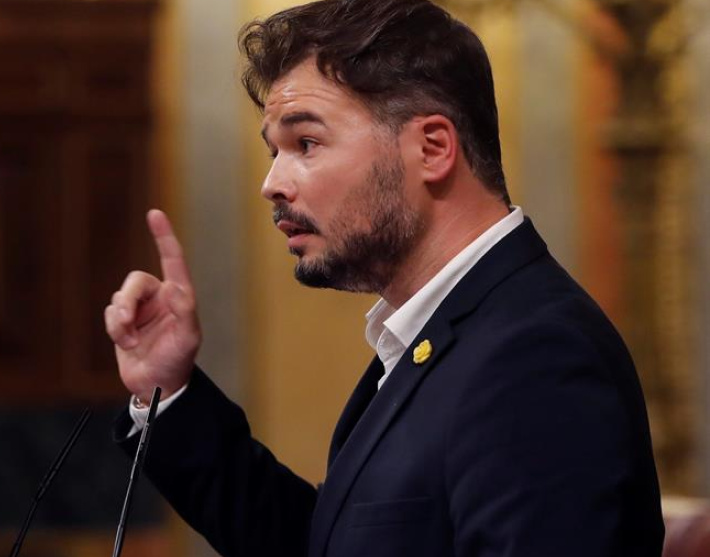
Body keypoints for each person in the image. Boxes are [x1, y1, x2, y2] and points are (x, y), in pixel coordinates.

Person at [104, 0, 664, 555]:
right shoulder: (446, 332)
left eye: (306, 143)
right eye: (274, 151)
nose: (271, 184)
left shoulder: (534, 354)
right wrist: (170, 390)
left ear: (432, 148)